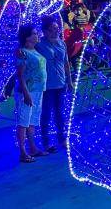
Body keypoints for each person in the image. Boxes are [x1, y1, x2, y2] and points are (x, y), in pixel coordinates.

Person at [35, 16, 73, 153]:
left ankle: (62, 139)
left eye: (57, 28)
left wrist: (69, 81)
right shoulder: (39, 45)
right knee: (45, 113)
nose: (56, 31)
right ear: (45, 31)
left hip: (61, 84)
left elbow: (66, 63)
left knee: (60, 113)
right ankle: (45, 142)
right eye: (52, 29)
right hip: (46, 86)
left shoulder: (62, 43)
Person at [14, 24, 49, 163]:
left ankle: (33, 147)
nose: (37, 35)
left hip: (38, 90)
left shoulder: (35, 50)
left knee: (32, 120)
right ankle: (23, 151)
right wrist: (26, 93)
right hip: (27, 92)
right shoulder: (22, 52)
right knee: (23, 121)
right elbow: (20, 75)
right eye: (34, 33)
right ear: (27, 37)